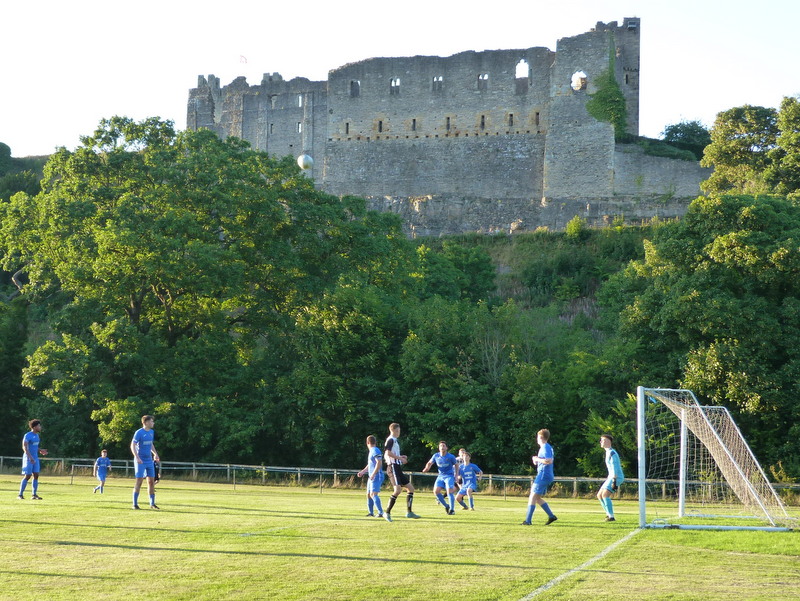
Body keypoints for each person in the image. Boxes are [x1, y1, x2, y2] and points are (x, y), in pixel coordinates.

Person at [383, 422, 420, 520]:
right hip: (392, 467)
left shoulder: (395, 440)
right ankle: (387, 512)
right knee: (397, 490)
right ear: (393, 430)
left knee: (411, 488)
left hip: (397, 467)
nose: (399, 432)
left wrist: (401, 456)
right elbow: (388, 453)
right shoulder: (391, 440)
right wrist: (399, 458)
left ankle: (409, 512)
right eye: (397, 431)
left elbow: (392, 453)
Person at [522, 428, 557, 525]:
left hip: (543, 475)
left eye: (537, 437)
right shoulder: (546, 447)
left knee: (532, 496)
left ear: (541, 437)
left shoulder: (545, 447)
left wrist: (537, 459)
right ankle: (551, 516)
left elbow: (549, 460)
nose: (536, 439)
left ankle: (528, 521)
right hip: (545, 475)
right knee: (537, 498)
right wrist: (537, 459)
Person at [130, 414, 161, 509]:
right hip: (140, 460)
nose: (153, 423)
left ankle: (152, 504)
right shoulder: (139, 432)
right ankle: (135, 504)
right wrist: (137, 457)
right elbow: (132, 445)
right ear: (146, 422)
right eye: (151, 421)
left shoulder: (151, 432)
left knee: (151, 481)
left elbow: (151, 444)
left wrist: (155, 454)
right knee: (139, 481)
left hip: (149, 460)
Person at [422, 441, 459, 514]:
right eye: (440, 446)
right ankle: (446, 506)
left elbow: (456, 465)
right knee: (436, 491)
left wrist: (456, 475)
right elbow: (429, 462)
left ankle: (452, 510)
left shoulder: (450, 456)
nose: (442, 447)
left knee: (449, 491)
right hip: (441, 476)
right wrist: (426, 468)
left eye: (443, 446)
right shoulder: (436, 455)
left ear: (446, 448)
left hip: (449, 476)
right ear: (439, 448)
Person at [357, 435, 386, 520]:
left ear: (367, 442)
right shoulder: (372, 451)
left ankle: (381, 513)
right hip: (372, 476)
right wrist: (363, 471)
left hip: (376, 475)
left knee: (373, 494)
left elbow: (379, 463)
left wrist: (373, 474)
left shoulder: (375, 450)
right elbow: (370, 464)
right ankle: (371, 513)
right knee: (369, 495)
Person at [598, 434, 625, 522]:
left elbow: (615, 466)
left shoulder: (612, 453)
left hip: (616, 477)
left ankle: (611, 517)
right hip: (611, 476)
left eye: (602, 440)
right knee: (599, 495)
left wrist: (614, 479)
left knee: (605, 495)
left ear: (608, 441)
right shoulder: (608, 452)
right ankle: (608, 514)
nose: (601, 442)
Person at [19, 419, 46, 500]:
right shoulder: (27, 435)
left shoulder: (37, 436)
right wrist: (30, 457)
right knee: (28, 475)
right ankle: (20, 495)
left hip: (35, 458)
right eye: (39, 426)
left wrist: (40, 450)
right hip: (28, 458)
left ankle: (34, 495)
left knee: (36, 475)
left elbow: (34, 447)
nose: (40, 427)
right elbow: (24, 447)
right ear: (34, 427)